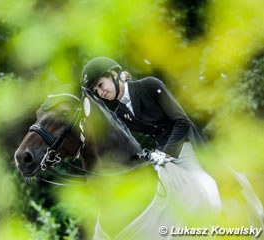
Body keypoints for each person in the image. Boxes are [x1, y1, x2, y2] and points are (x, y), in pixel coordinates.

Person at [81, 57, 222, 237]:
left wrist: (166, 153)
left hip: (185, 149)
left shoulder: (149, 86)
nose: (101, 92)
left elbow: (182, 122)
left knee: (207, 187)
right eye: (96, 90)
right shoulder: (120, 114)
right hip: (160, 157)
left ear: (114, 75)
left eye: (101, 85)